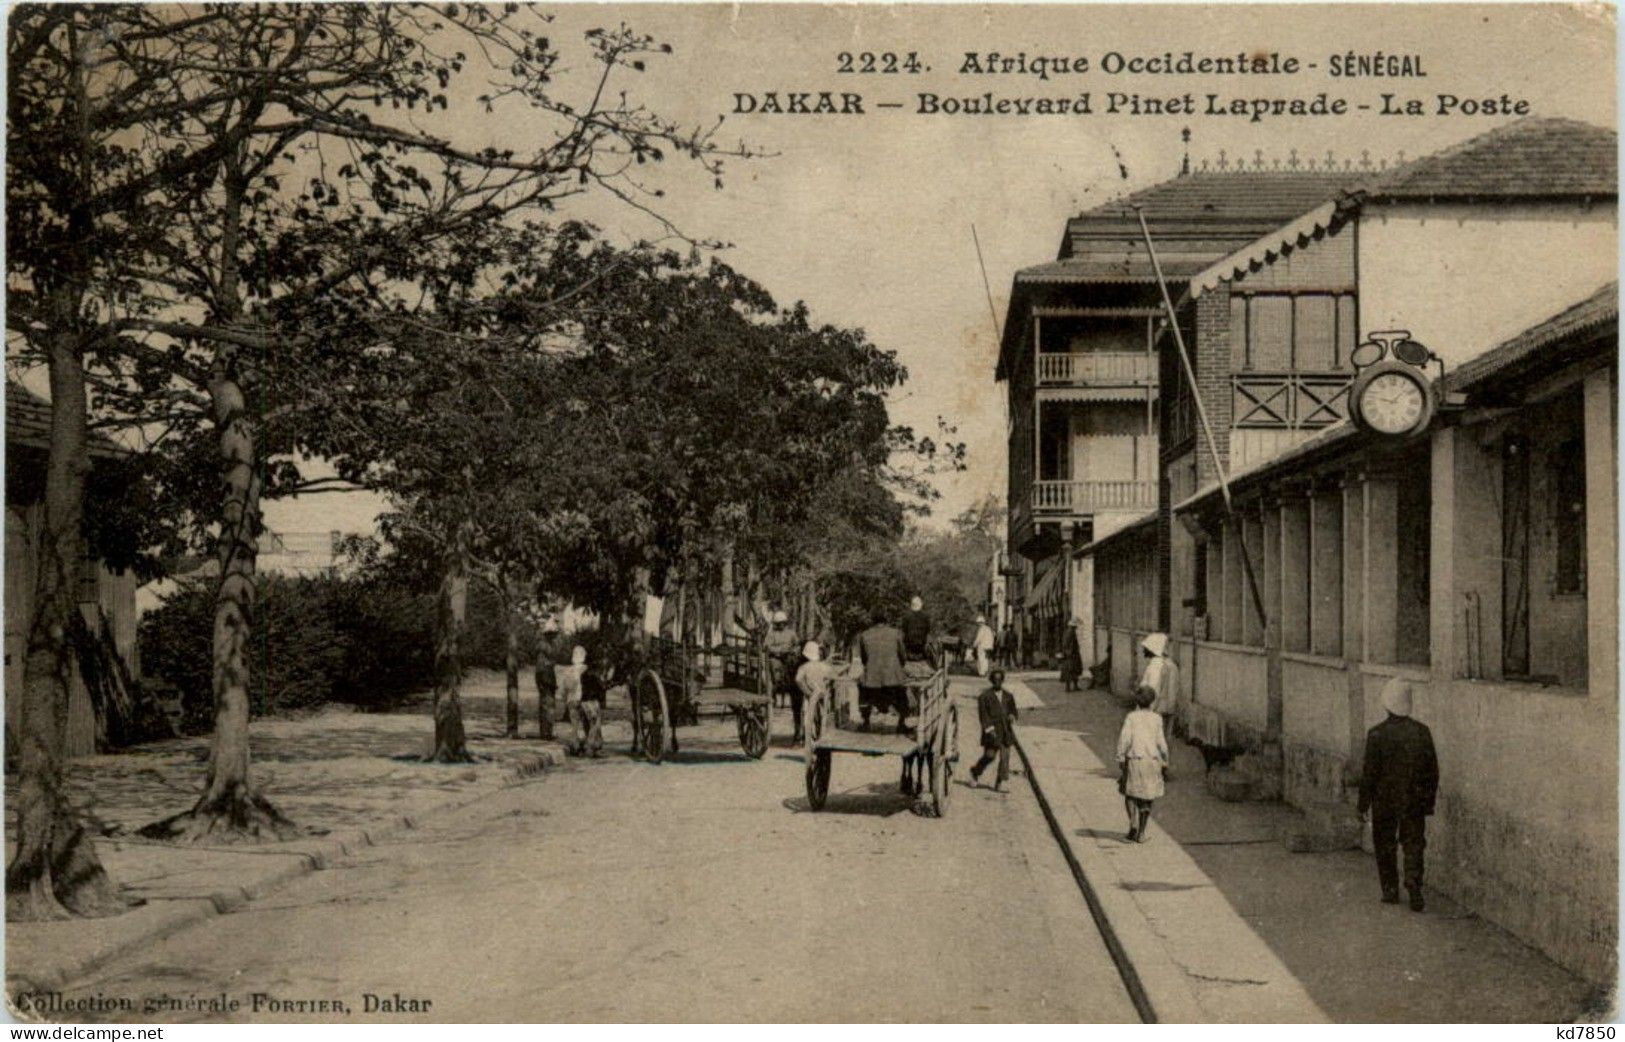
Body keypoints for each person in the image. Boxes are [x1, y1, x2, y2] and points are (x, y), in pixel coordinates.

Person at [1358, 678, 1439, 911]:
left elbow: (1369, 774)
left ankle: (1390, 890)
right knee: (1414, 843)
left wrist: (1362, 805)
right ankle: (1413, 883)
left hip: (1384, 801)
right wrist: (1427, 802)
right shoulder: (1422, 733)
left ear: (1387, 704)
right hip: (1413, 800)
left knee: (1385, 843)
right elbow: (1433, 771)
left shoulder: (1376, 735)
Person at [1116, 685, 1168, 842]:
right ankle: (1142, 833)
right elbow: (1161, 742)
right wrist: (1165, 759)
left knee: (1130, 792)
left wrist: (1120, 756)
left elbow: (1124, 739)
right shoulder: (1157, 718)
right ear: (1152, 702)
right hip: (1151, 760)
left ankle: (1133, 823)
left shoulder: (1131, 717)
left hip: (1134, 758)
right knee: (1147, 796)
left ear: (1137, 702)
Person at [856, 610, 910, 733]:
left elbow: (864, 659)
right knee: (902, 691)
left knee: (862, 689)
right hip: (893, 677)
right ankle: (902, 722)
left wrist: (871, 668)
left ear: (873, 621)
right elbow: (903, 656)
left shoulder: (864, 635)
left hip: (872, 679)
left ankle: (865, 721)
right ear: (886, 621)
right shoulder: (896, 633)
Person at [970, 668, 1018, 791]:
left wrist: (1012, 716)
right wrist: (989, 730)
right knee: (990, 756)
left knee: (1005, 758)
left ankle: (999, 782)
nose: (998, 682)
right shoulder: (984, 697)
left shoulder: (1008, 696)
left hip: (1006, 731)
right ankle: (975, 771)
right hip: (992, 731)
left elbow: (1013, 711)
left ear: (1002, 681)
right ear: (991, 681)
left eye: (1000, 680)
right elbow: (983, 716)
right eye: (995, 680)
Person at [1137, 633, 1180, 755]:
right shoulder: (1171, 664)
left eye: (1146, 647)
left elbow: (1152, 690)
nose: (1143, 650)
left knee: (1151, 741)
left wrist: (1145, 711)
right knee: (1164, 741)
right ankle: (1163, 767)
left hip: (1155, 710)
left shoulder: (1155, 666)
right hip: (1169, 709)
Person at [533, 618, 566, 741]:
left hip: (547, 679)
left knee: (546, 706)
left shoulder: (546, 646)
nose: (554, 637)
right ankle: (546, 733)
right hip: (545, 679)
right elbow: (542, 667)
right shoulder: (544, 647)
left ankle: (546, 732)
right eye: (552, 634)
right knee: (548, 706)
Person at [794, 640, 831, 744]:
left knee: (808, 717)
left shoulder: (803, 667)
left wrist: (806, 691)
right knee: (822, 716)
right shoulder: (825, 667)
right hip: (822, 695)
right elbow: (830, 678)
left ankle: (810, 740)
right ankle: (821, 737)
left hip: (809, 696)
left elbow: (798, 680)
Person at [575, 652, 606, 757]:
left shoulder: (583, 675)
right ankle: (591, 748)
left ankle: (586, 748)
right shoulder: (595, 676)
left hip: (584, 703)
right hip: (592, 703)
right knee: (595, 726)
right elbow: (602, 688)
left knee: (586, 726)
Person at [560, 644, 588, 754]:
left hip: (572, 700)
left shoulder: (569, 670)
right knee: (585, 723)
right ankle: (587, 743)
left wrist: (563, 698)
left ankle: (575, 745)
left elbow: (564, 688)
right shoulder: (586, 669)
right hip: (584, 699)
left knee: (574, 724)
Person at [901, 596, 931, 664]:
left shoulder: (906, 616)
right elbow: (928, 630)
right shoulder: (926, 616)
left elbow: (904, 630)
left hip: (909, 645)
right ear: (921, 605)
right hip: (922, 644)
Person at [1060, 618, 1084, 692]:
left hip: (1070, 654)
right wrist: (1070, 652)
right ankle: (1070, 687)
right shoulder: (1070, 633)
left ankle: (1073, 686)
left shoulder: (1068, 632)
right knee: (1071, 670)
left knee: (1072, 670)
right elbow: (1069, 645)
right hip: (1072, 655)